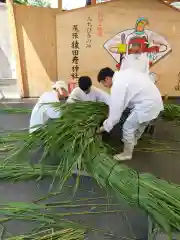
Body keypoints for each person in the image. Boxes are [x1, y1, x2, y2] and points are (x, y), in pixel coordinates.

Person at [96, 65, 164, 161]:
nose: (106, 86)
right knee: (141, 124)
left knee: (128, 127)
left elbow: (115, 114)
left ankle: (127, 154)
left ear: (107, 79)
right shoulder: (124, 73)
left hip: (146, 105)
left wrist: (104, 127)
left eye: (104, 83)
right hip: (155, 101)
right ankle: (133, 141)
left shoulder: (117, 84)